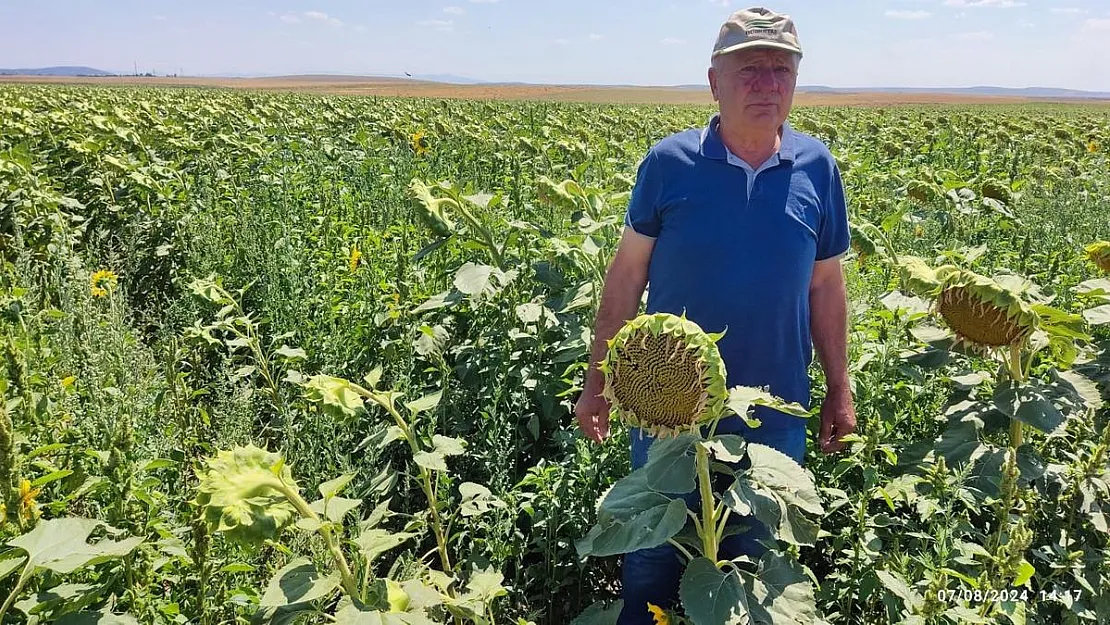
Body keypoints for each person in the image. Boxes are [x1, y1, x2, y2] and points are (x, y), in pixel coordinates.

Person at [573, 6, 857, 623]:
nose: (767, 83)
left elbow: (826, 286)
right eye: (749, 69)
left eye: (780, 69)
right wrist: (596, 380)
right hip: (666, 405)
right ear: (714, 82)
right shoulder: (670, 164)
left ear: (795, 81)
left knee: (759, 569)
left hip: (777, 408)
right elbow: (625, 280)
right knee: (651, 559)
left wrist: (840, 388)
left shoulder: (818, 168)